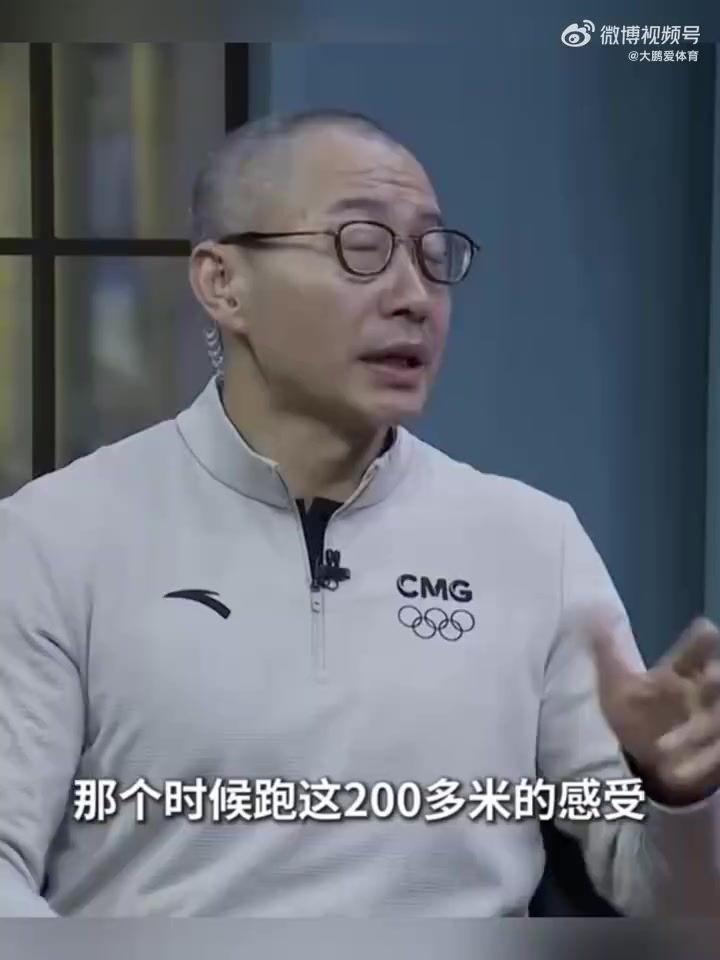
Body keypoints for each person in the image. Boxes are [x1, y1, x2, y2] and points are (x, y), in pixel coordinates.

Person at [0, 108, 719, 918]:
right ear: (223, 283)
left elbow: (672, 902)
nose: (414, 297)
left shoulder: (531, 542)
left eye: (432, 256)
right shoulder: (56, 538)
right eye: (361, 246)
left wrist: (681, 795)